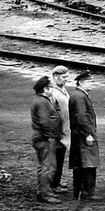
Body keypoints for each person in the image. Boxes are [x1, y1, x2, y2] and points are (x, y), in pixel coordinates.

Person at [68, 71, 99, 200]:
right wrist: (88, 134)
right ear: (81, 82)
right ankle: (87, 192)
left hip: (79, 134)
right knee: (88, 164)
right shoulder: (80, 97)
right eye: (89, 81)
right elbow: (81, 118)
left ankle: (79, 191)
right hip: (83, 135)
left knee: (80, 163)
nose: (92, 83)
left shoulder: (78, 95)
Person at [30, 76, 62, 204]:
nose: (53, 90)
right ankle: (45, 194)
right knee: (48, 167)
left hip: (42, 137)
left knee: (44, 165)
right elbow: (44, 121)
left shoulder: (41, 100)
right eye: (52, 88)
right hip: (45, 138)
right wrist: (51, 135)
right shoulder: (42, 102)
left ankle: (43, 190)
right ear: (45, 89)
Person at [47, 67, 71, 195]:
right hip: (56, 132)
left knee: (60, 157)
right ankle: (53, 184)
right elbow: (49, 113)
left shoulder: (62, 88)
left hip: (64, 130)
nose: (67, 80)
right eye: (64, 77)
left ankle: (56, 181)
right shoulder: (52, 91)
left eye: (67, 77)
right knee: (55, 158)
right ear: (56, 76)